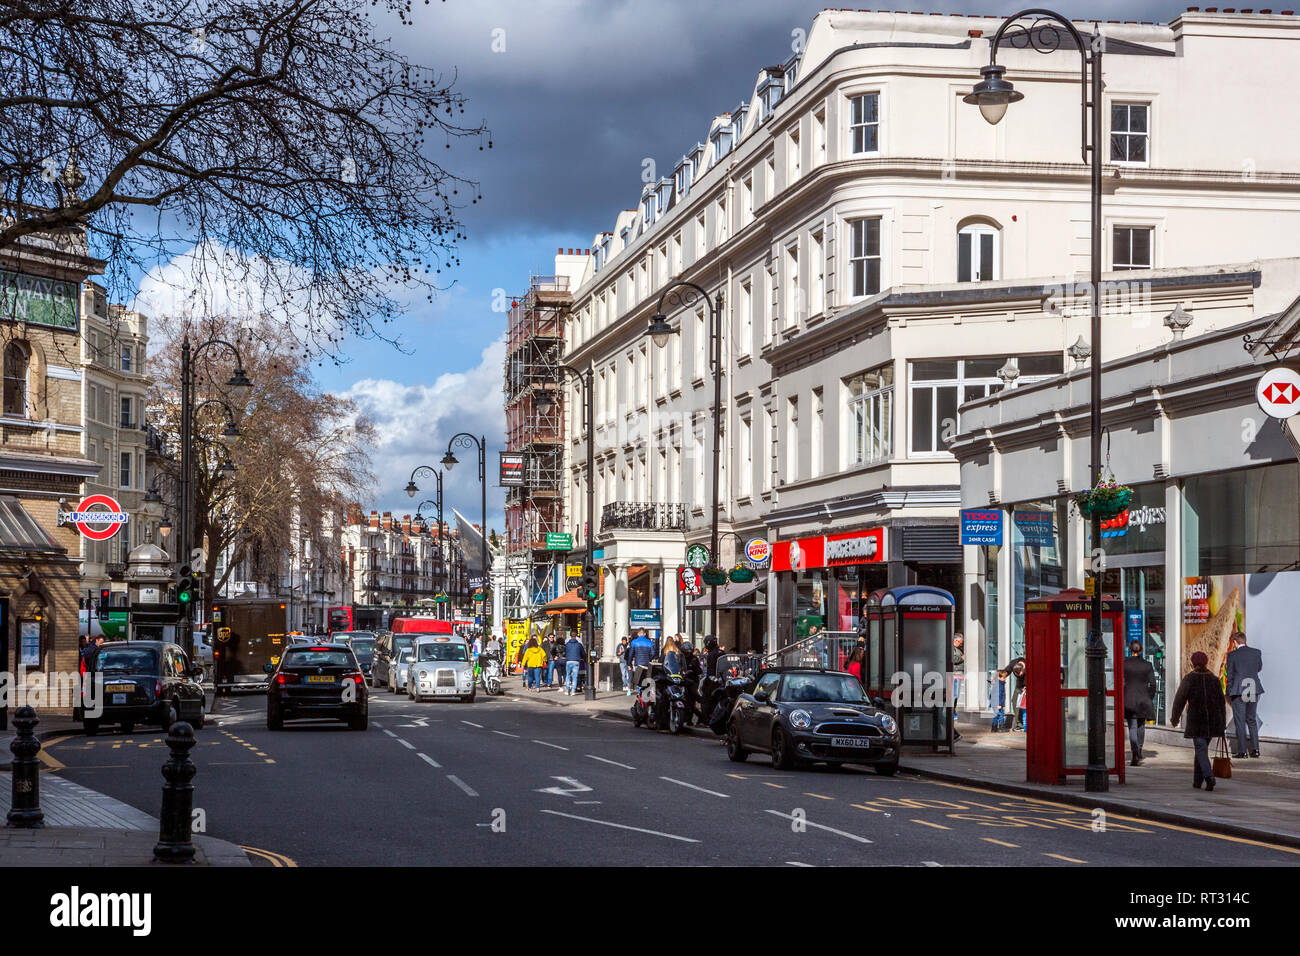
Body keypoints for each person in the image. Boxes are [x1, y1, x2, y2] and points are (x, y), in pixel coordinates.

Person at [1171, 650, 1228, 791]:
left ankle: (1209, 777)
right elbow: (1221, 702)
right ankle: (1197, 782)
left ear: (1192, 663)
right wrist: (1222, 723)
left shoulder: (1189, 679)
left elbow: (1180, 700)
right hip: (1213, 722)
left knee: (1201, 750)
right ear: (1206, 662)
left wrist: (1175, 718)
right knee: (1201, 750)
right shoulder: (1214, 679)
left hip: (1197, 721)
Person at [1225, 631, 1263, 758]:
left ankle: (1242, 751)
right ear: (1244, 640)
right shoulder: (1256, 652)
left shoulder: (1232, 655)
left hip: (1239, 690)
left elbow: (1229, 675)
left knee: (1240, 721)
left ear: (1235, 642)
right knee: (1251, 720)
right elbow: (1258, 668)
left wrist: (1228, 692)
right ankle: (1255, 750)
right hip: (1252, 688)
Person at [1122, 640, 1158, 766]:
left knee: (1132, 726)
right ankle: (1140, 749)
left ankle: (1135, 752)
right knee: (1141, 726)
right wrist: (1149, 696)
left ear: (1130, 650)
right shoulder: (1147, 665)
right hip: (1144, 699)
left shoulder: (1125, 664)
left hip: (1129, 699)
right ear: (1141, 650)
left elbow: (1120, 681)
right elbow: (1153, 684)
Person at [951, 633, 965, 710]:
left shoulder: (958, 649)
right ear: (956, 640)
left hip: (958, 674)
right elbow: (953, 659)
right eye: (961, 642)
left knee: (956, 694)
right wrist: (962, 658)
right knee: (955, 694)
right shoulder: (952, 648)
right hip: (955, 674)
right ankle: (951, 712)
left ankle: (953, 711)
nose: (961, 644)